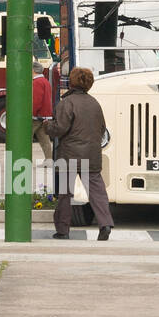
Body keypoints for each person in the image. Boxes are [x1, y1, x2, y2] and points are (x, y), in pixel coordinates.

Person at [47, 66, 114, 241]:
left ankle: (63, 230)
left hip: (69, 155)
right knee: (97, 192)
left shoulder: (67, 103)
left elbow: (60, 128)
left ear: (72, 82)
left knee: (65, 193)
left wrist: (47, 126)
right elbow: (101, 130)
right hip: (91, 154)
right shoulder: (95, 104)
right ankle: (105, 224)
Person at [31, 61, 55, 185]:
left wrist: (31, 112)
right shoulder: (45, 81)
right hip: (45, 115)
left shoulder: (36, 82)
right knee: (44, 139)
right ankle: (49, 159)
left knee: (25, 137)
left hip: (36, 116)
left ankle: (24, 160)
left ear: (33, 70)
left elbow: (36, 100)